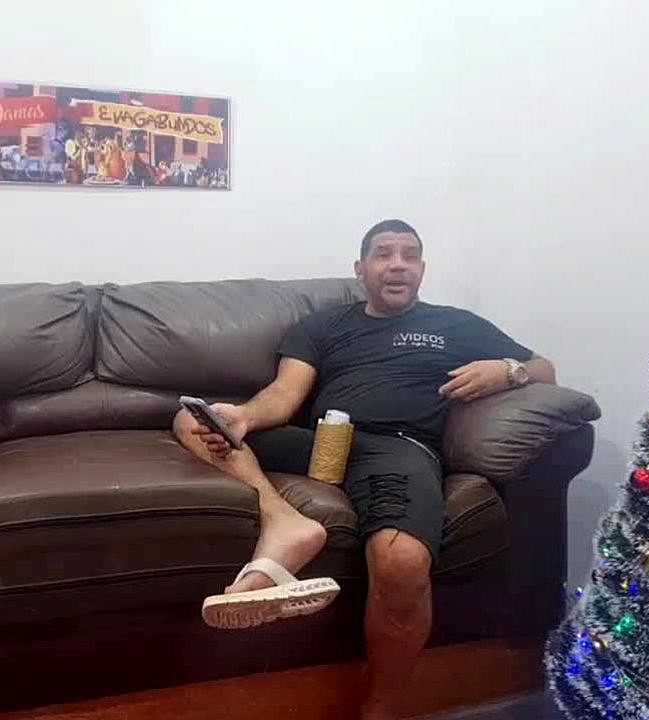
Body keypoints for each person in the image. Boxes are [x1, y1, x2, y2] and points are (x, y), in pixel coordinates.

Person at [172, 219, 555, 720]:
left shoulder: (456, 325)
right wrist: (243, 417)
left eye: (409, 256)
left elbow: (545, 369)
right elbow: (284, 395)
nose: (397, 265)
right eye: (383, 254)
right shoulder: (323, 326)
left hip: (398, 448)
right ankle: (284, 520)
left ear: (422, 269)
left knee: (403, 561)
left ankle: (380, 710)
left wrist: (508, 370)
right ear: (360, 269)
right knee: (193, 419)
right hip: (323, 440)